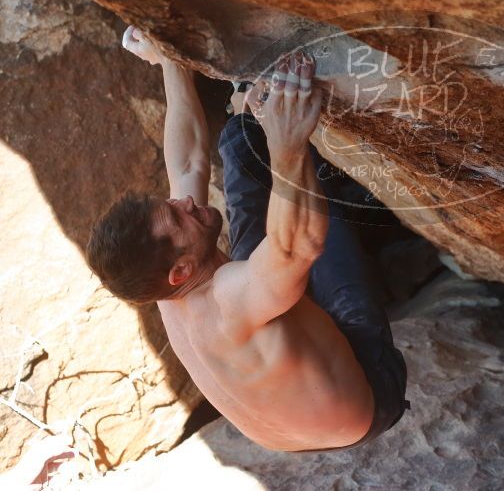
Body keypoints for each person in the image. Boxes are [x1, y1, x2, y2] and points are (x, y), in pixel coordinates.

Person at [85, 26, 408, 451]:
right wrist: (287, 143)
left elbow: (187, 163)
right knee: (307, 202)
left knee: (244, 162)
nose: (184, 203)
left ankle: (244, 111)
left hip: (287, 420)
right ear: (180, 270)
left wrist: (170, 62)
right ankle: (332, 173)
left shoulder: (159, 281)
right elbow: (298, 245)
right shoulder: (227, 298)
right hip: (367, 396)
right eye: (177, 217)